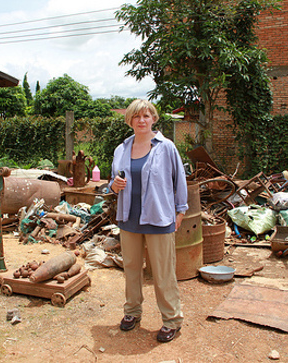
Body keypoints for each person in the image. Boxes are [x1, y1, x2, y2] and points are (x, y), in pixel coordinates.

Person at [108, 99, 188, 343]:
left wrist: (181, 211)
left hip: (159, 217)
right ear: (129, 120)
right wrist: (114, 185)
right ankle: (132, 312)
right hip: (129, 218)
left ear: (154, 118)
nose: (141, 120)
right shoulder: (121, 149)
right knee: (131, 269)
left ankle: (172, 320)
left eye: (146, 115)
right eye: (136, 116)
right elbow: (113, 182)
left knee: (163, 273)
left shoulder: (166, 147)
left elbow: (179, 181)